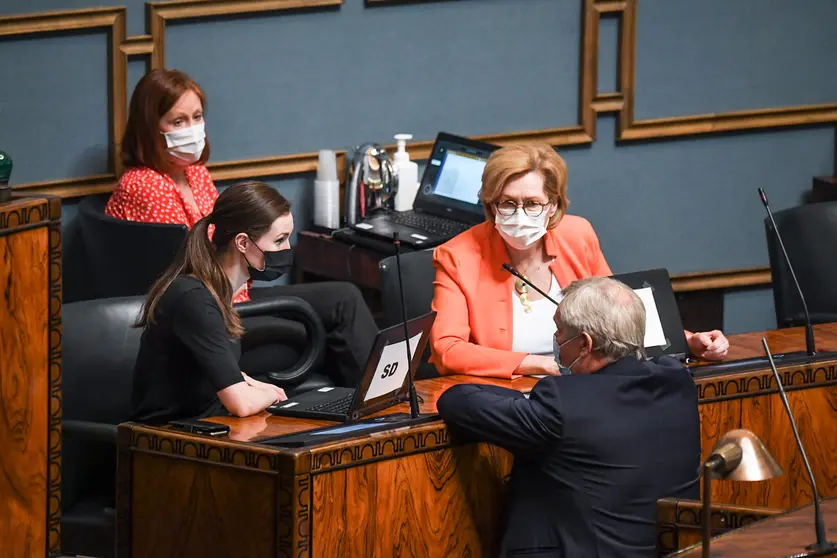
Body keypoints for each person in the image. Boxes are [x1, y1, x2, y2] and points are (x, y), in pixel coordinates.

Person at [106, 68, 376, 386]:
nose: (192, 129)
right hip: (210, 317)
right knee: (331, 327)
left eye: (196, 117)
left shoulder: (195, 174)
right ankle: (385, 412)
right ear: (150, 129)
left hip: (236, 297)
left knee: (344, 298)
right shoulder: (143, 185)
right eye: (178, 122)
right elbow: (186, 273)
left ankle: (382, 403)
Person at [436, 276, 701, 557]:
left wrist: (521, 402)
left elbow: (457, 401)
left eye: (559, 331)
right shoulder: (677, 381)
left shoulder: (563, 404)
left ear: (585, 344)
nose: (556, 340)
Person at [430, 142, 729, 378]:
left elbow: (620, 317)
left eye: (532, 203)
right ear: (491, 204)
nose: (519, 214)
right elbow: (447, 349)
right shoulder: (457, 256)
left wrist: (689, 341)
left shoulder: (577, 235)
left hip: (588, 387)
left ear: (554, 205)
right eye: (507, 203)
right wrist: (535, 364)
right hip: (509, 395)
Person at [132, 181, 297, 424]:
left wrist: (256, 388)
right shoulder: (194, 299)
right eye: (280, 240)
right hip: (166, 440)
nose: (288, 248)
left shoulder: (215, 290)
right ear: (242, 243)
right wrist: (270, 393)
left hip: (209, 424)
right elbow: (240, 403)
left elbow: (216, 370)